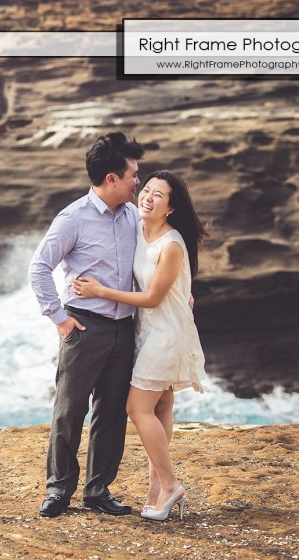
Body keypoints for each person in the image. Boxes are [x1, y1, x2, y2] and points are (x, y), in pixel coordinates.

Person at [71, 170, 208, 521]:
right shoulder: (140, 228)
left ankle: (171, 483)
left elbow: (150, 297)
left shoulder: (172, 244)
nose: (147, 196)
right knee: (161, 408)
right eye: (145, 189)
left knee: (137, 408)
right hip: (148, 332)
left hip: (165, 336)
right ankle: (157, 492)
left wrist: (99, 291)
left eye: (158, 195)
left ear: (171, 208)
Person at [28, 132, 144, 518]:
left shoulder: (133, 216)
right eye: (132, 174)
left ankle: (98, 491)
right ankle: (59, 490)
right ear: (111, 178)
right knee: (69, 410)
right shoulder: (73, 218)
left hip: (124, 328)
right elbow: (39, 268)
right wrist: (60, 319)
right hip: (85, 327)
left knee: (112, 412)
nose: (137, 181)